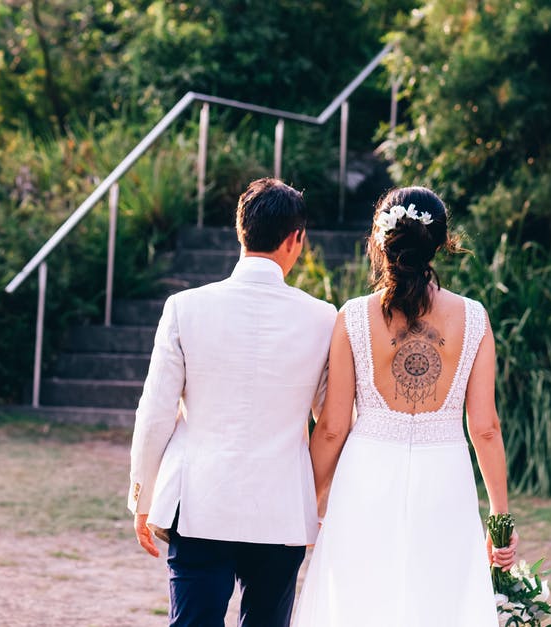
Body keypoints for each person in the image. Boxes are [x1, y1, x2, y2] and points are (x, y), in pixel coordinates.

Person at [292, 186, 518, 626]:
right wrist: (499, 517)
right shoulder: (473, 317)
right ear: (441, 244)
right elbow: (486, 427)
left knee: (360, 599)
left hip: (367, 475)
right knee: (439, 599)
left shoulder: (353, 316)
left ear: (379, 241)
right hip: (445, 477)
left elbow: (334, 427)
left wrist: (307, 501)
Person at [127, 178, 337, 627]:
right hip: (280, 510)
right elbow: (332, 422)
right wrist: (316, 497)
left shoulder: (184, 307)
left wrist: (141, 496)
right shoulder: (323, 317)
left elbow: (155, 414)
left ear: (240, 230)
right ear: (295, 238)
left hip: (199, 503)